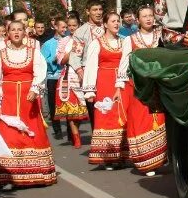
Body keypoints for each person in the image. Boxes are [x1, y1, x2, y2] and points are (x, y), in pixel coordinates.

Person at [0, 18, 56, 190]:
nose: (16, 33)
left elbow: (40, 71)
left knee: (32, 133)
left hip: (28, 99)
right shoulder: (0, 54)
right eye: (13, 30)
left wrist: (35, 88)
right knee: (9, 135)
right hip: (8, 99)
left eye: (20, 29)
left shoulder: (33, 52)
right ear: (8, 33)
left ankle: (37, 174)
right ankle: (10, 176)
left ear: (24, 32)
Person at [114, 5, 168, 175]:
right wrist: (119, 86)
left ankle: (160, 158)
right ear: (138, 20)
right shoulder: (130, 40)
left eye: (150, 15)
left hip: (159, 85)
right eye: (144, 16)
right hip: (138, 87)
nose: (148, 19)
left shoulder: (162, 36)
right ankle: (146, 161)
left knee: (160, 119)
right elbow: (124, 63)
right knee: (141, 120)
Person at [83, 10, 130, 168]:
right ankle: (108, 157)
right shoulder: (96, 43)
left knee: (122, 116)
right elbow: (90, 66)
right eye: (113, 21)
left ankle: (122, 154)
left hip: (122, 82)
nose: (117, 24)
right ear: (105, 24)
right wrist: (90, 90)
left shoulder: (124, 41)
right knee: (107, 117)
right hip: (105, 82)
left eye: (118, 21)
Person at [53, 12, 89, 147]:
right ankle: (76, 137)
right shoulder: (64, 41)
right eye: (69, 26)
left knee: (82, 107)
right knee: (71, 108)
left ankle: (78, 132)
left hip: (84, 74)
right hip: (69, 75)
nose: (72, 28)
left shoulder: (85, 38)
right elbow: (61, 60)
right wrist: (72, 52)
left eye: (75, 25)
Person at [40, 14, 66, 138]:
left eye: (65, 27)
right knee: (53, 103)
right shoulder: (48, 44)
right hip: (53, 77)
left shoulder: (69, 40)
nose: (64, 30)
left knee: (67, 103)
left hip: (66, 76)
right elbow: (43, 60)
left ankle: (71, 130)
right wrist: (54, 60)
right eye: (62, 27)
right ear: (55, 27)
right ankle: (57, 130)